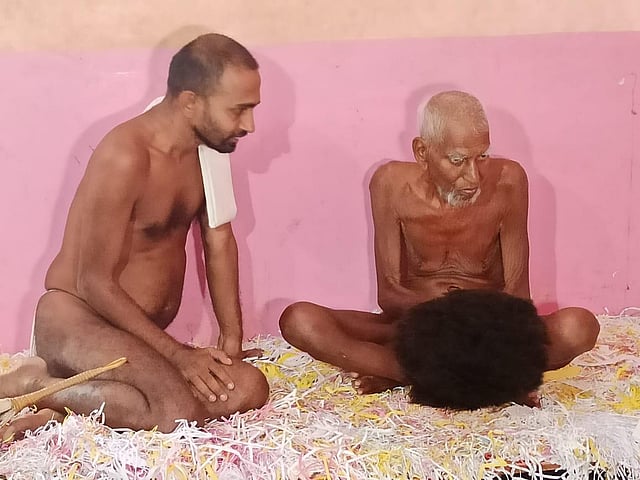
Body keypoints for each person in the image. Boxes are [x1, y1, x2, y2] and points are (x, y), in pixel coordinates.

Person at [0, 33, 269, 442]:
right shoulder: (125, 155)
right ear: (190, 102)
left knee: (250, 386)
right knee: (175, 411)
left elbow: (219, 242)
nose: (249, 125)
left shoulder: (211, 148)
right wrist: (178, 355)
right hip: (77, 320)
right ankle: (34, 385)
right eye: (238, 110)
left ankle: (72, 402)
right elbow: (93, 281)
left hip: (136, 339)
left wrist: (230, 341)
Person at [279, 90, 600, 408]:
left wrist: (476, 325)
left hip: (491, 332)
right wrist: (445, 318)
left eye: (482, 157)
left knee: (579, 327)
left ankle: (412, 375)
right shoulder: (389, 184)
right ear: (422, 152)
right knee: (300, 321)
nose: (474, 176)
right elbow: (389, 295)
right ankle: (487, 380)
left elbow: (518, 295)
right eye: (458, 161)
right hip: (414, 328)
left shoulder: (509, 181)